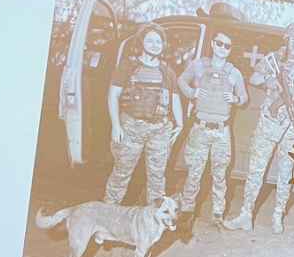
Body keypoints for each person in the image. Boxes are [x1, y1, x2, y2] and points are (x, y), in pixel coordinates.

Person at [224, 22, 294, 234]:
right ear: (287, 39)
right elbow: (254, 77)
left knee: (285, 173)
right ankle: (245, 214)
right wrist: (269, 81)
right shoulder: (273, 59)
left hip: (291, 127)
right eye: (293, 39)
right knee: (255, 169)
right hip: (269, 122)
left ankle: (278, 215)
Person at [103, 23, 183, 205]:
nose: (155, 45)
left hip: (160, 130)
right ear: (141, 43)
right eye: (150, 41)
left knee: (157, 177)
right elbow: (113, 95)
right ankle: (108, 213)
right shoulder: (128, 66)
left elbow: (175, 97)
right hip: (131, 128)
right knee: (121, 173)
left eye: (158, 41)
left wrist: (180, 123)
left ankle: (154, 216)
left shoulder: (167, 71)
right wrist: (116, 125)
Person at [176, 29, 248, 230]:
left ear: (231, 49)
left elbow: (244, 98)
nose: (223, 48)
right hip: (200, 129)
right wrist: (192, 92)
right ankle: (187, 212)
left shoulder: (234, 72)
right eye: (219, 43)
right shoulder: (198, 65)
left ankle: (217, 214)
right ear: (213, 44)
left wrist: (235, 98)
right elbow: (181, 80)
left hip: (221, 132)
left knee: (220, 175)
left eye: (227, 46)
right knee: (194, 173)